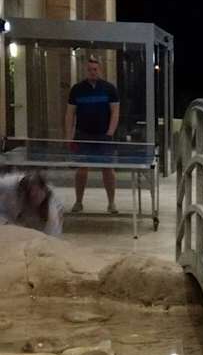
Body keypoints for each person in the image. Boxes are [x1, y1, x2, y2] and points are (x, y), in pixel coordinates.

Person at [65, 54, 120, 214]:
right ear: (86, 70)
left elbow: (115, 112)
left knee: (107, 169)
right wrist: (69, 137)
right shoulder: (77, 89)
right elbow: (69, 114)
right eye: (90, 69)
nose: (92, 72)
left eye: (95, 69)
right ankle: (78, 202)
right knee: (82, 169)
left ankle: (111, 203)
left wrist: (110, 133)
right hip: (83, 135)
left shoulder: (110, 89)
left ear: (100, 70)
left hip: (104, 136)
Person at [0, 169, 63, 235]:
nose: (33, 195)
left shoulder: (51, 209)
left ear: (44, 190)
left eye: (36, 195)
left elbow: (52, 235)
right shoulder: (10, 184)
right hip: (7, 212)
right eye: (30, 194)